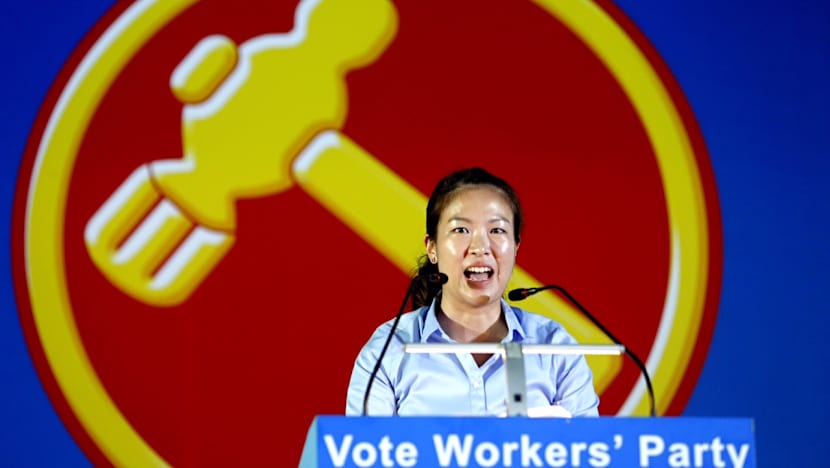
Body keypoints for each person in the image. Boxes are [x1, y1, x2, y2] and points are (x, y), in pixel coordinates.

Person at [345, 167, 599, 417]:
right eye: (461, 230)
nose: (481, 247)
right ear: (431, 247)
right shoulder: (390, 348)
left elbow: (593, 452)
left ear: (516, 246)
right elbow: (361, 453)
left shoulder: (553, 347)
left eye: (497, 230)